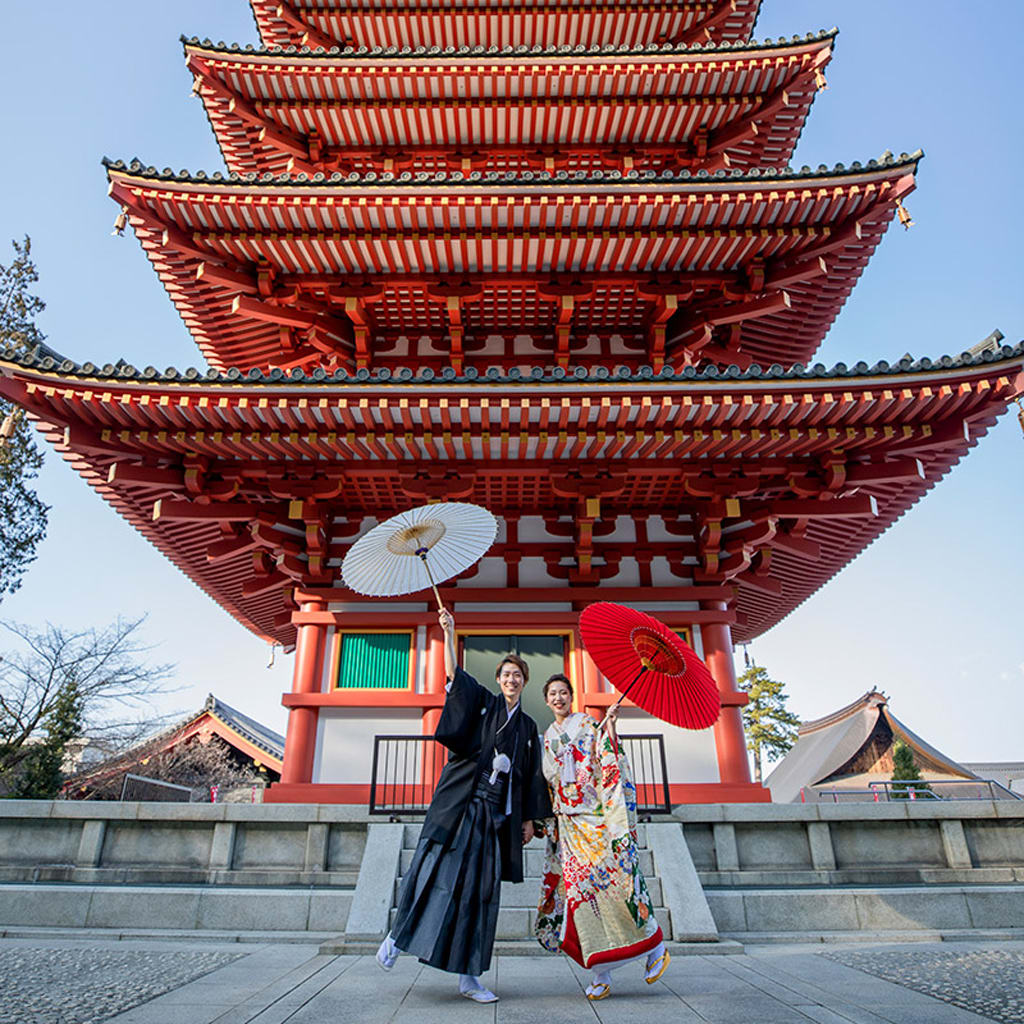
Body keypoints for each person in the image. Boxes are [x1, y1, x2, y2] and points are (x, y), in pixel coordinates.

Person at [376, 608, 552, 1003]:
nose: (512, 680)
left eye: (518, 676)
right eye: (506, 675)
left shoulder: (527, 728)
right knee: (435, 873)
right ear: (498, 680)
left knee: (481, 893)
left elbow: (531, 777)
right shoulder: (484, 703)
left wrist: (530, 820)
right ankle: (398, 938)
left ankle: (469, 977)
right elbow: (456, 677)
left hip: (495, 818)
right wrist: (449, 633)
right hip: (462, 809)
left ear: (524, 682)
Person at [535, 673, 669, 1001]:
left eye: (563, 692)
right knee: (582, 899)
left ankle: (655, 946)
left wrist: (609, 728)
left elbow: (605, 757)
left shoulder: (587, 724)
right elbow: (547, 780)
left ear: (571, 696)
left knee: (617, 885)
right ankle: (600, 972)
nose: (558, 698)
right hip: (568, 827)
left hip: (594, 820)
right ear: (546, 700)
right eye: (552, 694)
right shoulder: (548, 735)